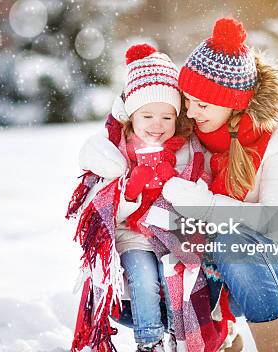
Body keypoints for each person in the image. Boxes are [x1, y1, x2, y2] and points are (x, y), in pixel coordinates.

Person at [79, 18, 278, 352]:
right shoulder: (189, 124)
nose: (190, 110)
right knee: (151, 273)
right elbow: (143, 106)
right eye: (186, 100)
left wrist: (209, 206)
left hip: (274, 267)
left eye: (201, 104)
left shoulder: (277, 140)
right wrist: (104, 145)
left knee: (232, 246)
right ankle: (220, 338)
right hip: (205, 264)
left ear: (233, 101)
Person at [69, 44, 229, 352]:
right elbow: (102, 211)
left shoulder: (187, 151)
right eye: (148, 116)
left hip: (173, 235)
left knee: (175, 281)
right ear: (132, 116)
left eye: (167, 117)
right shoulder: (118, 152)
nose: (158, 125)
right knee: (143, 281)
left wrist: (174, 185)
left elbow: (200, 193)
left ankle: (178, 337)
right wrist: (130, 190)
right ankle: (149, 340)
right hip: (133, 236)